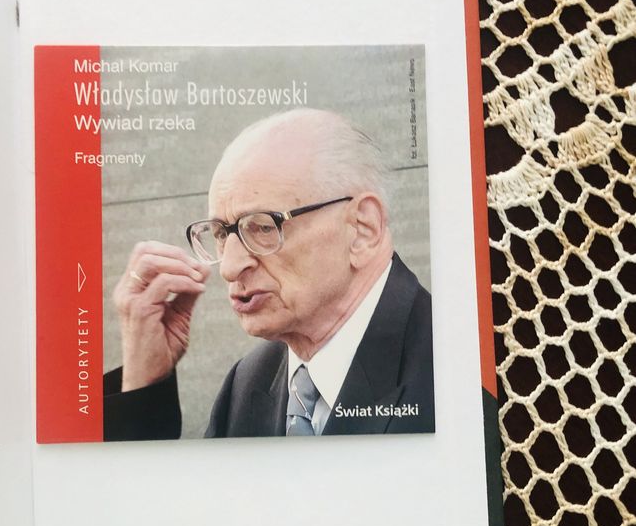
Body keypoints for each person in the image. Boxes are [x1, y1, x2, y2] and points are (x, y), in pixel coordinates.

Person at [103, 108, 434, 440]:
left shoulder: (447, 367)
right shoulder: (247, 383)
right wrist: (143, 385)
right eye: (220, 234)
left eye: (263, 227)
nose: (229, 268)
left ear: (363, 228)